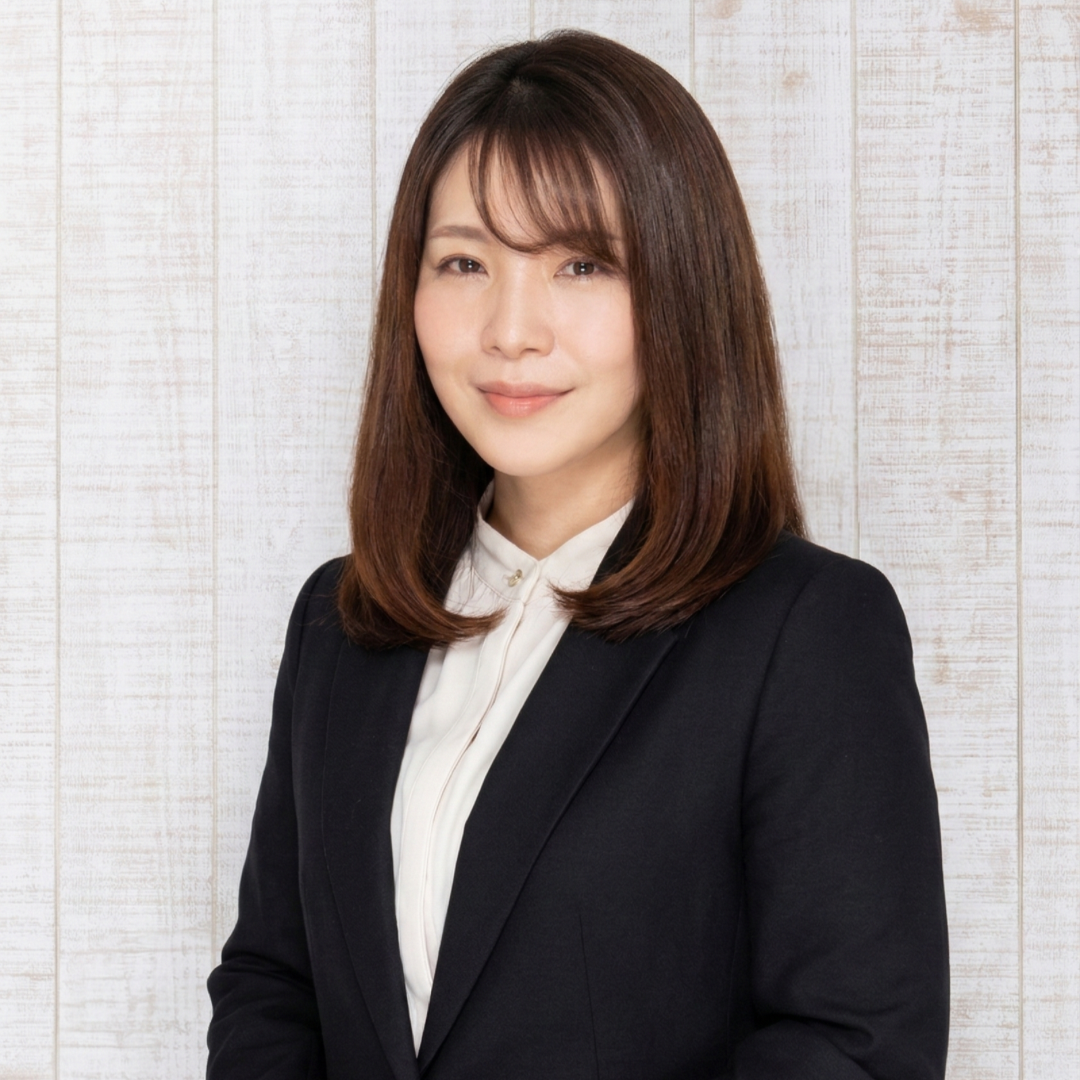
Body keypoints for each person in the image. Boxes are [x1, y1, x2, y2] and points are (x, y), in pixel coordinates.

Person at [206, 30, 949, 1080]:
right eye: (465, 262)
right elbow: (273, 983)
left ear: (683, 288)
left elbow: (853, 1046)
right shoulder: (343, 619)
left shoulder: (806, 630)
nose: (511, 330)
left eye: (582, 264)